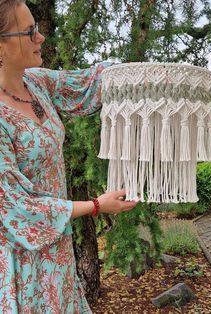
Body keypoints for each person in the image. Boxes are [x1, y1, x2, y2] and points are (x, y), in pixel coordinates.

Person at [0, 0, 137, 312]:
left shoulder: (37, 83)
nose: (40, 37)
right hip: (23, 262)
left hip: (58, 252)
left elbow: (89, 83)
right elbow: (14, 207)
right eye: (29, 31)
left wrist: (135, 72)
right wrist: (97, 206)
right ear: (1, 47)